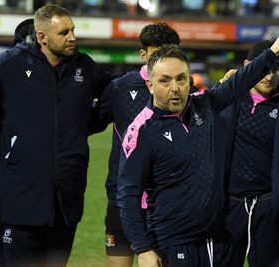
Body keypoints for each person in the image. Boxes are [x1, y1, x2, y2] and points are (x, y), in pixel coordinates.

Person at [117, 25, 279, 267]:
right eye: (165, 80)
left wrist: (273, 51)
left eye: (181, 79)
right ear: (150, 85)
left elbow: (239, 83)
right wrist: (143, 249)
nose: (175, 87)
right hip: (172, 242)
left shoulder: (203, 105)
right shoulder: (141, 131)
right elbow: (128, 196)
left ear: (189, 80)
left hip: (215, 238)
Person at [0, 4, 111, 267]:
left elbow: (112, 94)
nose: (72, 37)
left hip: (66, 204)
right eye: (64, 32)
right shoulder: (9, 66)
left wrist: (83, 123)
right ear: (42, 37)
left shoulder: (85, 66)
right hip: (19, 204)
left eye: (73, 30)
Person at [216, 40, 279, 267]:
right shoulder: (227, 99)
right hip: (227, 210)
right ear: (248, 65)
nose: (270, 76)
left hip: (268, 211)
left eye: (276, 69)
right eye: (264, 68)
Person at [92, 22, 181, 267]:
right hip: (123, 198)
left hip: (166, 201)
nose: (164, 61)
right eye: (157, 54)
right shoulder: (119, 88)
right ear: (143, 55)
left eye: (170, 54)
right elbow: (90, 123)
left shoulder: (184, 91)